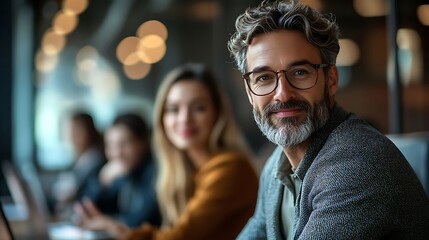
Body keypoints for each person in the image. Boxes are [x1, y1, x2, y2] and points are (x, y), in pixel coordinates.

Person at [227, 0, 429, 239]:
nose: (282, 94)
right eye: (264, 78)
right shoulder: (276, 166)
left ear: (331, 79)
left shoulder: (357, 166)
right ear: (250, 91)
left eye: (300, 72)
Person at [97, 63, 258, 239]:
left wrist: (116, 229)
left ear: (217, 113)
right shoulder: (185, 171)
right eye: (173, 109)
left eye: (199, 108)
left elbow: (179, 237)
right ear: (162, 118)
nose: (184, 119)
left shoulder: (230, 168)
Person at [74, 113, 161, 229]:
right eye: (110, 145)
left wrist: (108, 223)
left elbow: (144, 222)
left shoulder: (155, 172)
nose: (117, 153)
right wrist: (101, 183)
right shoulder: (122, 173)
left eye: (125, 144)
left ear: (143, 142)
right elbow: (86, 209)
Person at [51, 112, 105, 217]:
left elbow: (89, 199)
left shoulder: (94, 160)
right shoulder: (79, 159)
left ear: (89, 131)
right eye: (68, 131)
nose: (71, 136)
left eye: (76, 131)